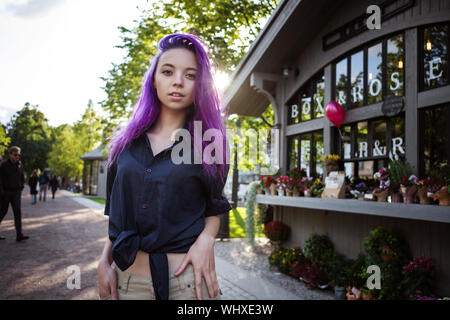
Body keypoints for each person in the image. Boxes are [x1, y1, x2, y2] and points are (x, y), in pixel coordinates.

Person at [97, 33, 231, 300]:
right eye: (168, 71)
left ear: (200, 86)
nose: (178, 82)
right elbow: (118, 217)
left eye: (191, 75)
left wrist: (207, 239)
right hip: (127, 284)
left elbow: (213, 208)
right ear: (154, 80)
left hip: (187, 285)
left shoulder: (208, 144)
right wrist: (103, 262)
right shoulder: (124, 145)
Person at [0, 146, 29, 241]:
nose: (17, 157)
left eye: (18, 155)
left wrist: (21, 187)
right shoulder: (3, 165)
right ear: (10, 154)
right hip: (6, 192)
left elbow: (21, 176)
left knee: (17, 213)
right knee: (2, 212)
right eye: (15, 155)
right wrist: (2, 191)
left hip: (16, 192)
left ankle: (19, 235)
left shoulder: (19, 164)